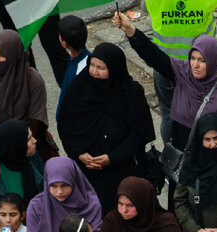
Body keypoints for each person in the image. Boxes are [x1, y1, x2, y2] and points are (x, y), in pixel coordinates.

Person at [117, 18, 217, 154]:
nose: (195, 65)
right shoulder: (183, 72)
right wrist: (130, 30)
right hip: (185, 159)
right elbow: (154, 56)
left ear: (214, 60)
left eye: (201, 60)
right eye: (192, 58)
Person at [58, 43, 154, 213]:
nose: (94, 71)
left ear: (114, 68)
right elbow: (66, 125)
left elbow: (139, 134)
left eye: (101, 68)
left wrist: (112, 157)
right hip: (86, 171)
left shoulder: (131, 94)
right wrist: (79, 153)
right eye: (92, 65)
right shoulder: (79, 88)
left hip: (121, 171)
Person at [0, 30, 50, 154]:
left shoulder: (32, 79)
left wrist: (17, 146)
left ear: (14, 54)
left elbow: (36, 120)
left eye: (1, 54)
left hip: (27, 147)